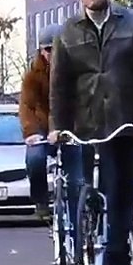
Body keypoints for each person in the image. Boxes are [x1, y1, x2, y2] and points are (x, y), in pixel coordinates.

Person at [49, 0, 133, 265]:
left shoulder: (132, 22)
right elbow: (59, 82)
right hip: (84, 123)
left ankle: (118, 263)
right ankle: (87, 240)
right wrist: (56, 126)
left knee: (121, 194)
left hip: (124, 122)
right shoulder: (67, 30)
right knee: (85, 189)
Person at [20, 22, 83, 224]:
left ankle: (78, 220)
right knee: (35, 159)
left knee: (76, 180)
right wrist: (31, 132)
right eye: (48, 50)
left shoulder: (76, 72)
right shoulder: (32, 76)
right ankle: (41, 201)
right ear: (41, 51)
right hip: (42, 130)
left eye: (58, 49)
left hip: (70, 129)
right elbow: (26, 106)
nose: (53, 54)